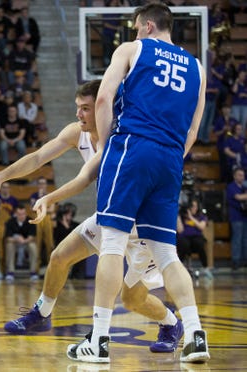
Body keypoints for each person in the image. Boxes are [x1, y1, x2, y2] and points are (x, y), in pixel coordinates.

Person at [0, 80, 184, 354]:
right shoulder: (76, 133)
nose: (79, 114)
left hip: (141, 225)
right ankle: (42, 314)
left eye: (85, 109)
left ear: (103, 108)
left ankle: (171, 323)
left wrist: (49, 197)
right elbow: (37, 158)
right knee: (60, 257)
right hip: (111, 216)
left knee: (132, 299)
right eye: (77, 108)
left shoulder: (121, 135)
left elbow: (84, 179)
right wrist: (0, 175)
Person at [68, 3, 209, 363]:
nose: (133, 34)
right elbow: (194, 129)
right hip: (171, 157)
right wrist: (172, 156)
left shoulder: (132, 49)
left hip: (132, 146)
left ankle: (98, 339)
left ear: (147, 26)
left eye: (134, 28)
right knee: (166, 253)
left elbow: (103, 97)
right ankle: (194, 335)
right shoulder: (198, 67)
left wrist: (110, 142)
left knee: (112, 242)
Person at [177, 198, 212, 279]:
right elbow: (180, 230)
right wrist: (178, 216)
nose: (194, 208)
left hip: (196, 238)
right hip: (184, 238)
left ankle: (205, 267)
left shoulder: (201, 217)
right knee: (184, 244)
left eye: (195, 206)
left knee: (199, 243)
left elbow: (201, 227)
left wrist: (191, 217)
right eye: (192, 206)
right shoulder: (182, 216)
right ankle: (179, 266)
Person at [4, 204, 38, 281]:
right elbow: (8, 238)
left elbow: (32, 237)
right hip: (15, 243)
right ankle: (10, 272)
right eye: (19, 214)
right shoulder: (10, 222)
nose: (21, 216)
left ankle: (33, 271)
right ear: (16, 214)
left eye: (23, 214)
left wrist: (24, 241)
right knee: (9, 245)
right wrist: (17, 240)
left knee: (33, 246)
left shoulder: (31, 221)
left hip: (26, 243)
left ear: (26, 214)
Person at [226, 166, 247, 271]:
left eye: (243, 175)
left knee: (245, 239)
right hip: (236, 217)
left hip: (244, 216)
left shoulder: (244, 187)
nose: (242, 177)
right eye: (239, 175)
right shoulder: (231, 187)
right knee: (237, 239)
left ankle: (244, 260)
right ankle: (236, 261)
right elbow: (238, 197)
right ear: (234, 176)